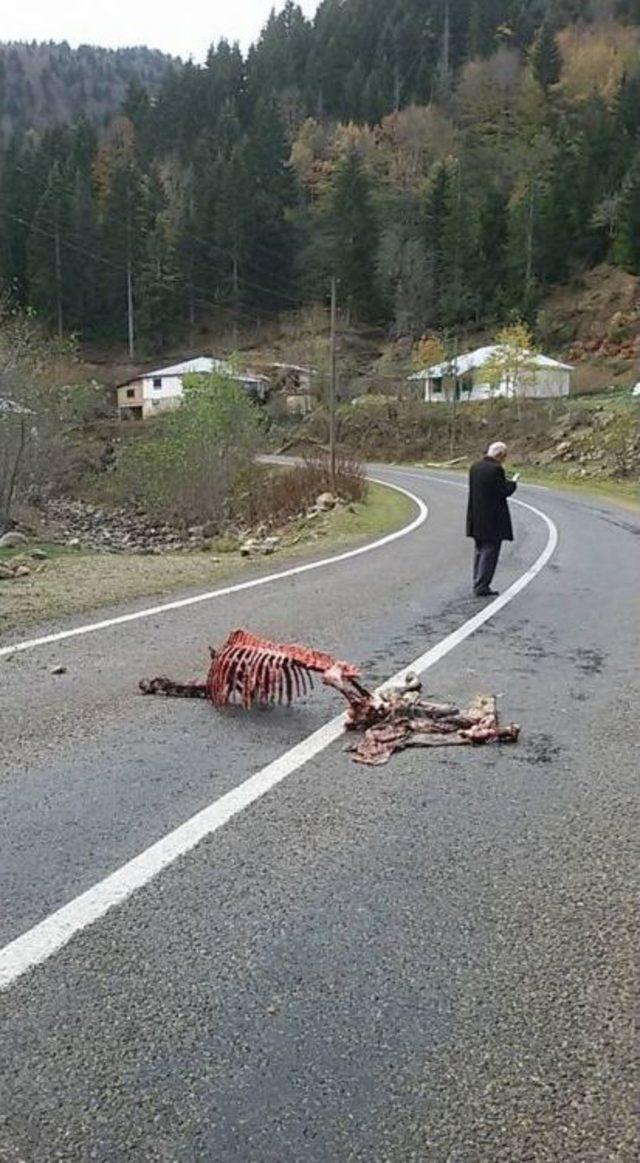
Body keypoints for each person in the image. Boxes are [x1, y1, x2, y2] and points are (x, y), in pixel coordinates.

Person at [466, 441, 519, 597]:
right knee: (490, 553)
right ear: (500, 455)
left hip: (476, 515)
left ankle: (477, 580)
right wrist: (513, 484)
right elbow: (502, 491)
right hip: (492, 518)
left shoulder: (475, 467)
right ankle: (482, 586)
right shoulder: (496, 469)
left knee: (479, 550)